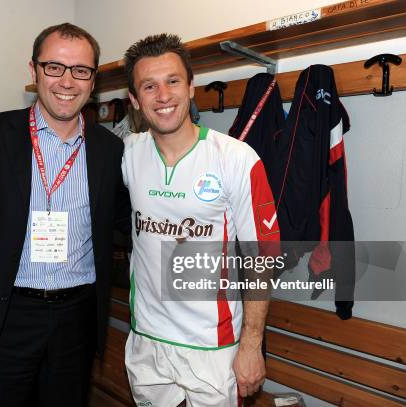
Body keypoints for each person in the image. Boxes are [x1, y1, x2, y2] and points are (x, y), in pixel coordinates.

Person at [0, 22, 129, 406]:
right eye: (54, 67)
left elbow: (125, 224)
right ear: (33, 71)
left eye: (80, 70)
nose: (67, 81)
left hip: (77, 319)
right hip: (6, 315)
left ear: (93, 79)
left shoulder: (109, 149)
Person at [121, 34, 280, 406]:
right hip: (146, 342)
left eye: (173, 81)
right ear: (134, 99)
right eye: (149, 86)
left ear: (191, 86)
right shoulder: (127, 154)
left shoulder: (236, 158)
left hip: (214, 346)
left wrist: (252, 345)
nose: (163, 95)